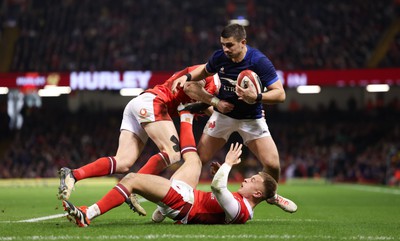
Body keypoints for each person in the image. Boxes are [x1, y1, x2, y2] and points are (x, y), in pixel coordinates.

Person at [57, 65, 234, 216]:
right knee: (172, 154)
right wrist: (216, 103)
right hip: (154, 102)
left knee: (123, 163)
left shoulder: (212, 90)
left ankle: (73, 174)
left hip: (140, 103)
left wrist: (225, 113)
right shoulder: (210, 76)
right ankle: (133, 187)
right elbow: (189, 88)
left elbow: (210, 108)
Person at [62, 110, 277, 226]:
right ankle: (186, 115)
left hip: (183, 203)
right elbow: (219, 196)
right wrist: (220, 169)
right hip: (188, 195)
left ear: (257, 193)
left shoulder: (241, 211)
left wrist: (228, 165)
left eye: (253, 180)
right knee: (194, 160)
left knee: (131, 179)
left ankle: (87, 214)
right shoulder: (242, 206)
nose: (248, 179)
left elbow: (219, 189)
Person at [171, 23, 297, 213]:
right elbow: (205, 70)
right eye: (223, 44)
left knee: (272, 164)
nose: (225, 49)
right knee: (198, 159)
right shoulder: (220, 57)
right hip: (223, 116)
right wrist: (187, 77)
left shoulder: (259, 61)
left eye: (229, 45)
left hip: (251, 118)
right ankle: (175, 197)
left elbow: (280, 95)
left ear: (243, 43)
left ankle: (271, 195)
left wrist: (257, 97)